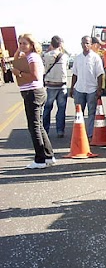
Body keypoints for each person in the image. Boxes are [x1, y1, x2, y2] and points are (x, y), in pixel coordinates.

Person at [12, 34, 55, 169]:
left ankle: (40, 159)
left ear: (32, 44)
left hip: (33, 93)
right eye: (20, 43)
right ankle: (48, 156)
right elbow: (16, 59)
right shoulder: (27, 56)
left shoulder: (32, 57)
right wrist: (19, 50)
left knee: (34, 126)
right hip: (33, 93)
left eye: (25, 43)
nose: (22, 46)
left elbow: (35, 76)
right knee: (39, 125)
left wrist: (19, 73)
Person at [70, 36, 104, 139]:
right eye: (84, 43)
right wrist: (72, 88)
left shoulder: (95, 57)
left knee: (91, 112)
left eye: (87, 43)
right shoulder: (78, 58)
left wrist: (99, 88)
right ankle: (79, 133)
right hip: (79, 89)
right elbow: (74, 74)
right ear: (81, 44)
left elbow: (100, 74)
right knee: (79, 113)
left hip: (91, 90)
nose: (85, 45)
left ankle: (90, 134)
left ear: (91, 44)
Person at [42, 35, 69, 138]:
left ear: (51, 44)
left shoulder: (46, 55)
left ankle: (45, 130)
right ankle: (60, 130)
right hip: (62, 85)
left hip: (50, 85)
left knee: (47, 108)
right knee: (61, 109)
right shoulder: (64, 56)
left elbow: (44, 67)